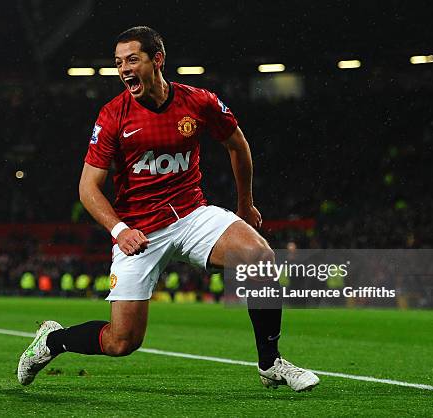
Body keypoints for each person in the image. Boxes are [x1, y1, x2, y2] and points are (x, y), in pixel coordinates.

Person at [18, 26, 319, 392]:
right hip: (139, 231)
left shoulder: (198, 102)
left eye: (132, 59)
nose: (124, 69)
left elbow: (238, 146)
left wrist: (245, 204)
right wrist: (120, 231)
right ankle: (52, 342)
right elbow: (87, 188)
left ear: (157, 59)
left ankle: (271, 363)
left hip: (192, 215)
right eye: (118, 63)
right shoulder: (113, 116)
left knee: (259, 256)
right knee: (121, 342)